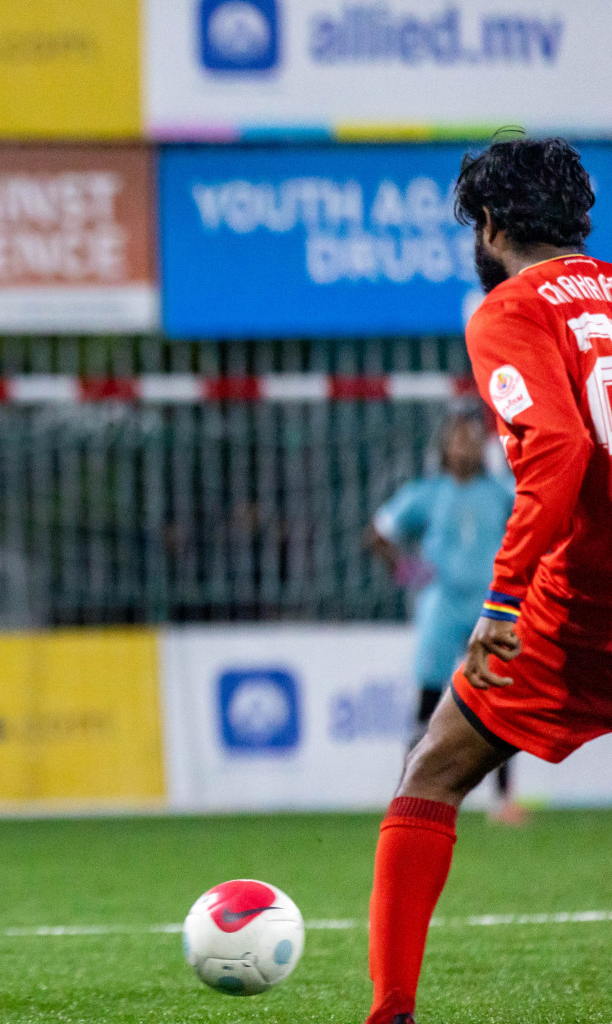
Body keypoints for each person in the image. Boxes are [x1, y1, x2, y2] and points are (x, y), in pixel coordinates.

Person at [364, 135, 611, 1024]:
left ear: (492, 226)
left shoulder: (511, 306)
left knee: (431, 773)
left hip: (586, 602)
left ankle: (390, 1012)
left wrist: (502, 598)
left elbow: (558, 446)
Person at [366, 410, 523, 824]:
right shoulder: (426, 494)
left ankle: (502, 800)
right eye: (457, 439)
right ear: (443, 447)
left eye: (471, 439)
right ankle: (407, 794)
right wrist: (408, 571)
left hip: (491, 606)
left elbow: (534, 529)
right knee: (429, 700)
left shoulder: (503, 494)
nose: (465, 446)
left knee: (498, 700)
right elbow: (378, 534)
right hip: (442, 603)